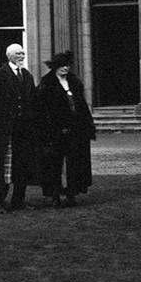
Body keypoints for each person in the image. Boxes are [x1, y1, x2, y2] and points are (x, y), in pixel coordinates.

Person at [0, 43, 39, 212]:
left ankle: (18, 201)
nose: (21, 56)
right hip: (4, 131)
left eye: (23, 53)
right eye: (17, 53)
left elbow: (33, 102)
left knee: (22, 166)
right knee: (2, 167)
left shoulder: (27, 76)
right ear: (8, 56)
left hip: (23, 131)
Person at [36, 50, 96, 208]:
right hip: (55, 132)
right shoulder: (47, 83)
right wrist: (49, 129)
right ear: (55, 67)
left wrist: (86, 126)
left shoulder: (74, 82)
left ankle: (71, 194)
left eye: (67, 66)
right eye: (62, 66)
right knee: (53, 165)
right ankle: (54, 195)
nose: (65, 68)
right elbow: (42, 110)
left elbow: (81, 106)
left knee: (75, 164)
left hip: (75, 130)